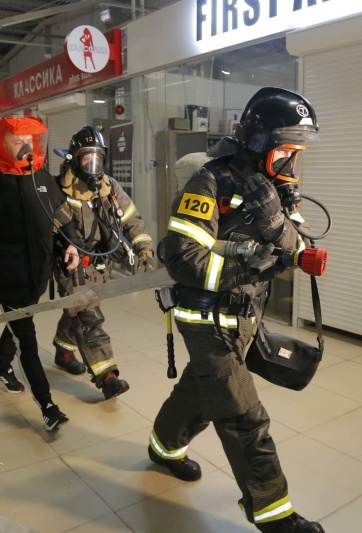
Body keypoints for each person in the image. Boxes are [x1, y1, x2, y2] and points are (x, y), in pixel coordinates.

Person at [147, 87, 325, 533]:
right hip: (206, 318)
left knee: (200, 394)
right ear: (259, 141)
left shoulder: (278, 193)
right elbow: (184, 258)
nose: (291, 164)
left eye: (297, 153)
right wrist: (247, 264)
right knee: (244, 416)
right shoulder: (212, 182)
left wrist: (275, 224)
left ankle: (164, 446)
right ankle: (271, 511)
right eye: (285, 151)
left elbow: (298, 248)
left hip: (244, 318)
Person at [0, 116, 70, 432]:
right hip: (7, 274)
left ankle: (1, 367)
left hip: (38, 272)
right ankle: (48, 406)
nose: (26, 148)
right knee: (28, 340)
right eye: (18, 142)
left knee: (20, 324)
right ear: (4, 143)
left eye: (30, 142)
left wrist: (70, 245)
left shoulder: (42, 177)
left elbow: (62, 216)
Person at [51, 125, 155, 400]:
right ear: (74, 158)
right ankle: (107, 376)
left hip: (99, 263)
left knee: (77, 310)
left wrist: (144, 248)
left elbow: (132, 219)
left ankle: (63, 350)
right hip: (70, 265)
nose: (93, 164)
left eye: (98, 157)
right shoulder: (58, 189)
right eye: (87, 158)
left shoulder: (109, 188)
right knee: (88, 317)